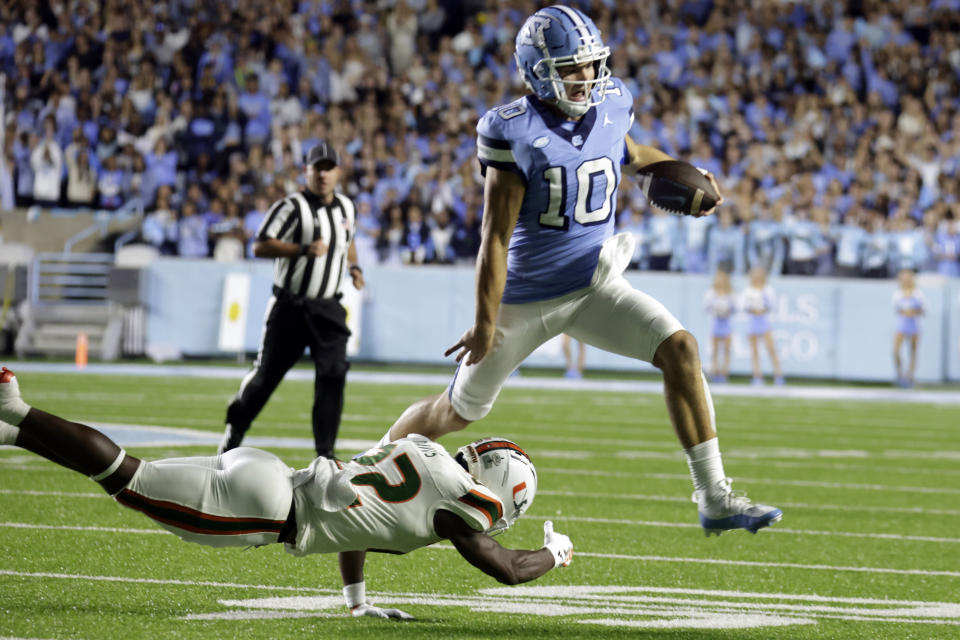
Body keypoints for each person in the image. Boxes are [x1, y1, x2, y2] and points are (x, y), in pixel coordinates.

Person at [380, 6, 781, 536]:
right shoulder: (514, 131)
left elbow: (632, 155)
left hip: (594, 284)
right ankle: (370, 468)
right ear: (538, 71)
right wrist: (483, 321)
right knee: (454, 414)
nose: (586, 77)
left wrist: (675, 174)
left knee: (680, 348)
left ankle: (714, 497)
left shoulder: (613, 104)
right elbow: (495, 238)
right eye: (571, 68)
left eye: (591, 65)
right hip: (524, 301)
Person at [0, 367, 573, 620]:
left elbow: (365, 525)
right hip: (266, 511)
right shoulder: (465, 509)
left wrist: (356, 601)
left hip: (270, 473)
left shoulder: (421, 451)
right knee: (127, 477)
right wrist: (558, 553)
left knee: (129, 472)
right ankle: (17, 411)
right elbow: (507, 569)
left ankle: (12, 429)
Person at [219, 143, 365, 460]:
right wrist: (300, 249)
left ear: (338, 172)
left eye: (329, 168)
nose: (323, 174)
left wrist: (354, 267)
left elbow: (347, 241)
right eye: (318, 168)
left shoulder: (346, 208)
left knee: (334, 374)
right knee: (265, 378)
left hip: (328, 306)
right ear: (306, 171)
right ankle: (235, 430)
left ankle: (325, 454)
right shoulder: (292, 206)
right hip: (291, 307)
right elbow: (259, 245)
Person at [740, 267, 784, 386]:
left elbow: (772, 304)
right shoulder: (748, 290)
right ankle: (757, 376)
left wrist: (762, 310)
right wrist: (753, 310)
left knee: (771, 349)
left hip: (764, 320)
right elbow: (743, 305)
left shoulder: (768, 290)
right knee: (754, 351)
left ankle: (778, 375)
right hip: (753, 321)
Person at [892, 269, 924, 388]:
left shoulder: (918, 293)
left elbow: (923, 309)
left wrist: (912, 312)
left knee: (913, 351)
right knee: (896, 350)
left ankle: (910, 376)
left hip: (914, 323)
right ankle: (900, 374)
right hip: (902, 323)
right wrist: (906, 312)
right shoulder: (898, 293)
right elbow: (897, 310)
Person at [703, 270, 735, 383]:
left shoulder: (730, 293)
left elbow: (735, 307)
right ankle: (715, 371)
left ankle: (724, 373)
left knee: (726, 349)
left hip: (726, 323)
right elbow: (706, 307)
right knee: (715, 350)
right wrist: (715, 309)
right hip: (716, 322)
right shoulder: (711, 293)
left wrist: (727, 310)